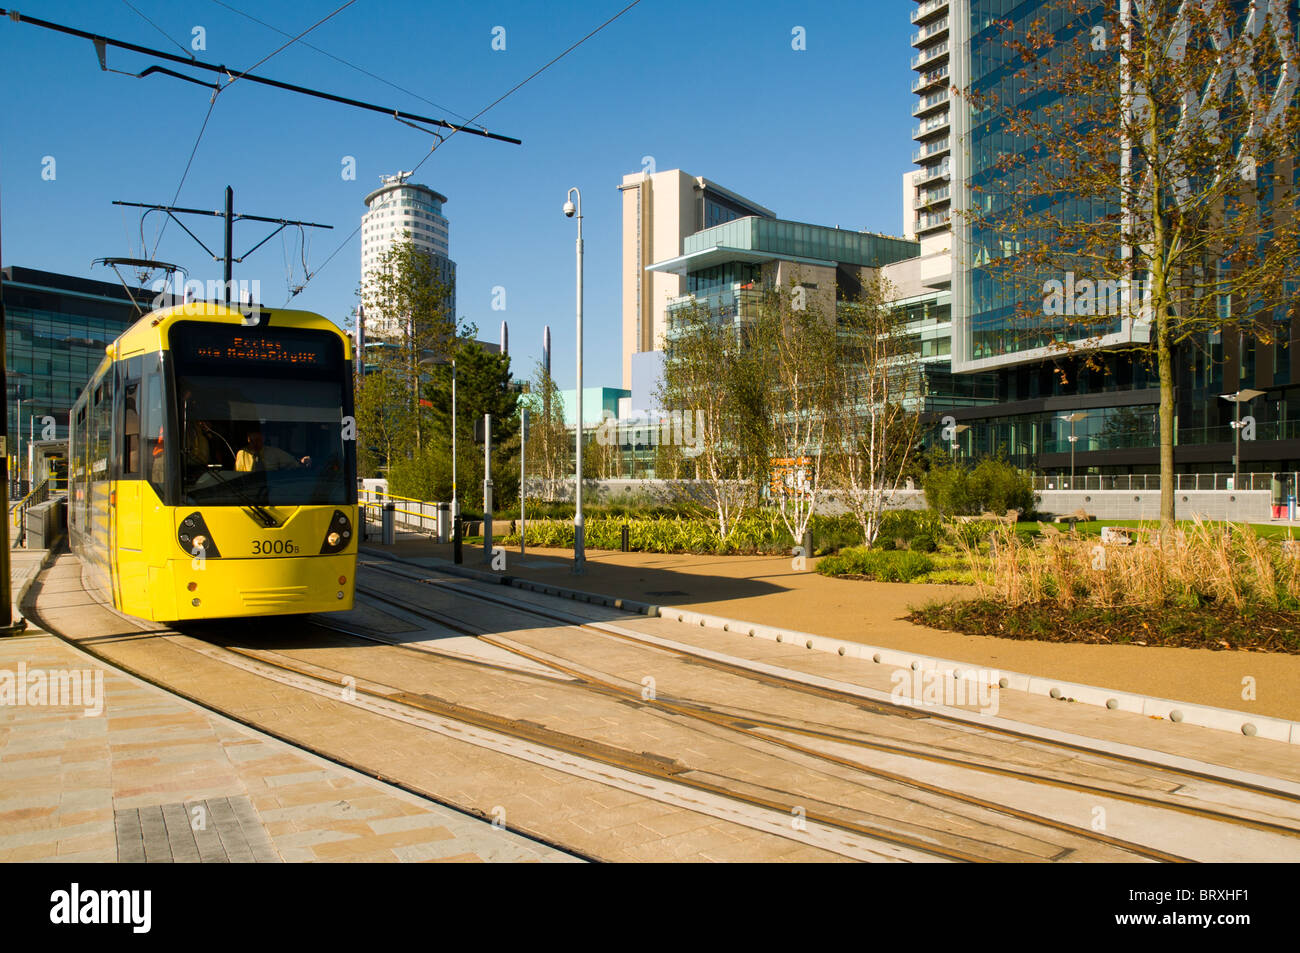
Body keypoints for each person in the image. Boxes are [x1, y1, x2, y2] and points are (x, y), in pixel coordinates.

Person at [235, 428, 310, 472]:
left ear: (263, 439)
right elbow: (237, 474)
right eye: (251, 440)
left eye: (258, 440)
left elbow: (292, 463)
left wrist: (301, 462)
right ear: (248, 440)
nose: (255, 443)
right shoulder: (242, 453)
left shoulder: (274, 452)